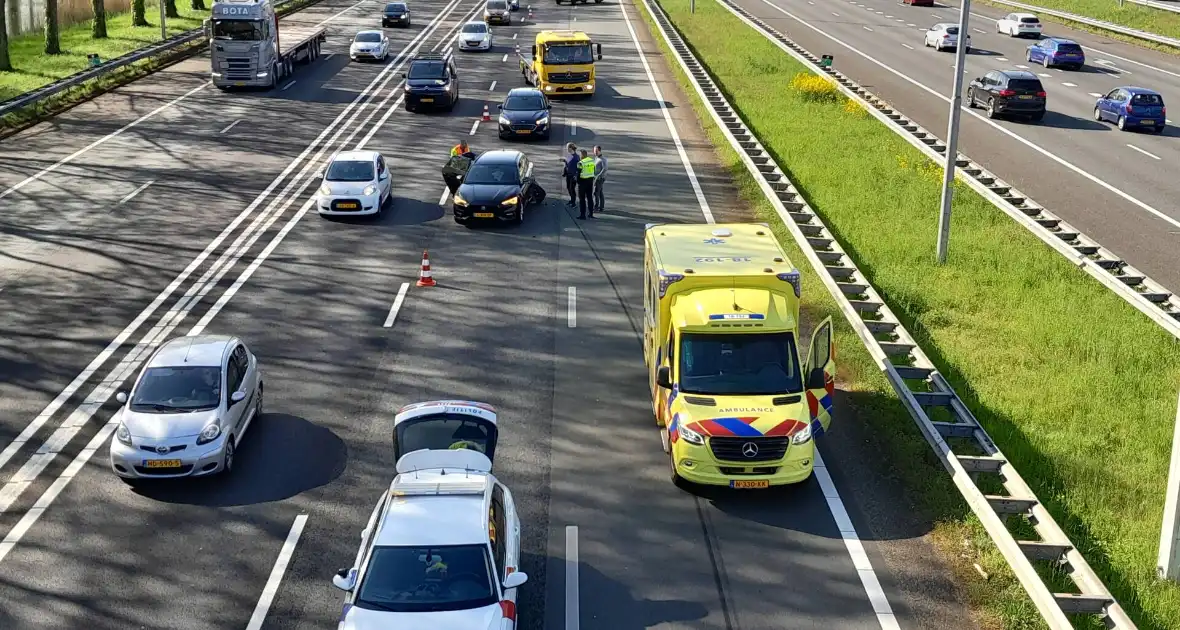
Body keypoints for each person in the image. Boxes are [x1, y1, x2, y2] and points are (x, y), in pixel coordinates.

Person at [576, 148, 597, 219]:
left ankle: (583, 215)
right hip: (590, 181)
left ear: (582, 155)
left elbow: (578, 174)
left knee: (582, 199)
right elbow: (594, 170)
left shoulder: (580, 163)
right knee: (589, 198)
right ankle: (591, 213)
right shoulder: (592, 161)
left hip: (582, 182)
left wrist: (577, 181)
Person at [562, 143, 579, 207]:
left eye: (567, 148)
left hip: (573, 176)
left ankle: (573, 202)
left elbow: (578, 168)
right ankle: (571, 200)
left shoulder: (576, 157)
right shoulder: (569, 155)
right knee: (568, 188)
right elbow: (567, 164)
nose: (566, 149)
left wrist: (576, 175)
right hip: (568, 175)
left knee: (572, 189)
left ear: (570, 148)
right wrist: (564, 161)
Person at [592, 145, 607, 213]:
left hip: (600, 178)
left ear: (600, 151)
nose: (594, 152)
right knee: (600, 192)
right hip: (596, 178)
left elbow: (604, 169)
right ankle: (601, 207)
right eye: (594, 151)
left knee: (596, 193)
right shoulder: (596, 158)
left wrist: (598, 176)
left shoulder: (603, 159)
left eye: (596, 151)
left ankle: (596, 207)